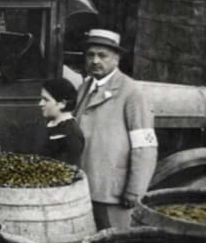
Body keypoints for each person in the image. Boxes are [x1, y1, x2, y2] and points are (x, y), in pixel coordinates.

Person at [75, 28, 157, 230]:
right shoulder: (85, 88)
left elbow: (145, 147)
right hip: (86, 188)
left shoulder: (132, 92)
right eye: (90, 55)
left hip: (114, 192)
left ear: (116, 59)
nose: (95, 61)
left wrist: (134, 191)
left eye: (102, 55)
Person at [39, 77, 84, 167]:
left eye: (46, 100)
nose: (40, 103)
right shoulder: (51, 125)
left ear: (62, 104)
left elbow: (66, 171)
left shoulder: (71, 132)